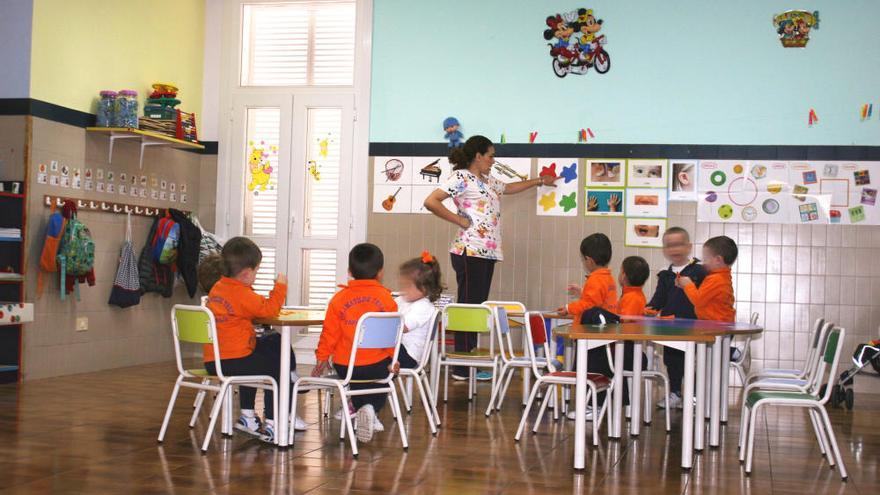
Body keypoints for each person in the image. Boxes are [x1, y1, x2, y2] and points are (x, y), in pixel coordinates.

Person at [424, 135, 557, 381]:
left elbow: (509, 188)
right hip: (469, 250)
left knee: (478, 305)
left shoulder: (487, 180)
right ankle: (461, 366)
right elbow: (431, 201)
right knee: (468, 305)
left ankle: (469, 359)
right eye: (491, 155)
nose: (493, 160)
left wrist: (540, 181)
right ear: (478, 156)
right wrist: (460, 220)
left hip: (488, 252)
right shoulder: (462, 177)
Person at [204, 237, 306, 444]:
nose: (256, 276)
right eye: (257, 271)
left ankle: (248, 417)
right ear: (247, 273)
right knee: (278, 368)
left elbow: (249, 305)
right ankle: (274, 423)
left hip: (214, 361)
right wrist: (280, 287)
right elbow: (269, 309)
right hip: (235, 360)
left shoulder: (218, 288)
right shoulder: (241, 293)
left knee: (270, 341)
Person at [312, 243, 397, 443]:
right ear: (380, 272)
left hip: (345, 365)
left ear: (350, 272)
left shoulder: (338, 299)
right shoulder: (386, 299)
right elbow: (392, 335)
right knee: (382, 379)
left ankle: (360, 408)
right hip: (377, 366)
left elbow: (329, 334)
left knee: (356, 377)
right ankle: (370, 409)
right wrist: (393, 359)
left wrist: (321, 359)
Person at [557, 233, 617, 420]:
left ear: (589, 260)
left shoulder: (595, 279)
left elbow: (589, 305)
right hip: (605, 334)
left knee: (588, 371)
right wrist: (582, 292)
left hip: (591, 335)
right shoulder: (607, 278)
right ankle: (596, 406)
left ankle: (591, 407)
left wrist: (568, 308)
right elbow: (598, 300)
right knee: (599, 371)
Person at [645, 227, 706, 409]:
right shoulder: (665, 274)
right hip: (670, 326)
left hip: (694, 326)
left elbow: (704, 297)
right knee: (671, 361)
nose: (675, 249)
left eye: (679, 244)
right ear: (664, 250)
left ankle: (694, 395)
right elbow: (659, 298)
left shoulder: (699, 270)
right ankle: (675, 393)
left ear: (689, 247)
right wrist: (649, 309)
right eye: (670, 246)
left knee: (694, 361)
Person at [396, 251, 444, 369]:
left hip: (409, 356)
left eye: (407, 286)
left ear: (424, 288)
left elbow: (403, 327)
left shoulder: (424, 306)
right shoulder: (402, 299)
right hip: (399, 350)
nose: (404, 289)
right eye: (402, 285)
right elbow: (386, 308)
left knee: (375, 352)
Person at [677, 235, 737, 323]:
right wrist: (684, 286)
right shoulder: (722, 277)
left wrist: (688, 285)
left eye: (706, 259)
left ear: (718, 259)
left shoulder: (716, 279)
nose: (703, 263)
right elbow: (704, 297)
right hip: (720, 325)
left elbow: (698, 300)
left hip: (717, 327)